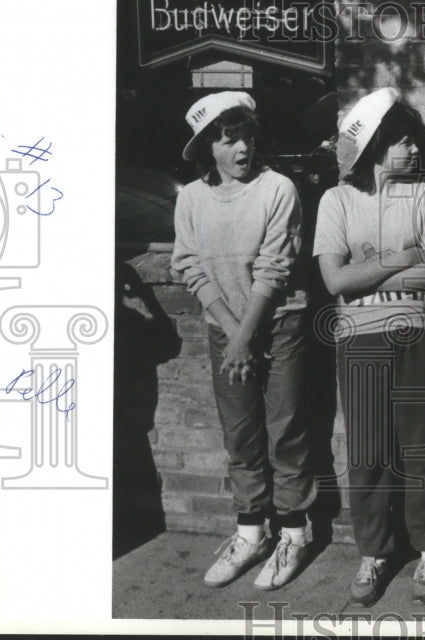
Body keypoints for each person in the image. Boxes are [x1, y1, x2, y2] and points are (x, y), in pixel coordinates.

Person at [313, 87, 425, 606]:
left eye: (413, 141)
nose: (414, 151)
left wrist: (363, 272)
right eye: (403, 142)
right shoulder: (336, 201)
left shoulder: (424, 197)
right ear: (374, 145)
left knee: (421, 447)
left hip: (417, 333)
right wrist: (402, 256)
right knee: (369, 451)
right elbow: (333, 281)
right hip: (358, 341)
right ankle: (374, 552)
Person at [171, 90, 317, 588]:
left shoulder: (279, 188)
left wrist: (245, 336)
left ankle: (295, 533)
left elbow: (275, 268)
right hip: (226, 331)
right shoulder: (190, 198)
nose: (241, 150)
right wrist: (234, 337)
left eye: (247, 137)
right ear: (207, 147)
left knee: (286, 431)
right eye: (229, 140)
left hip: (280, 325)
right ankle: (251, 533)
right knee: (241, 436)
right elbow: (189, 265)